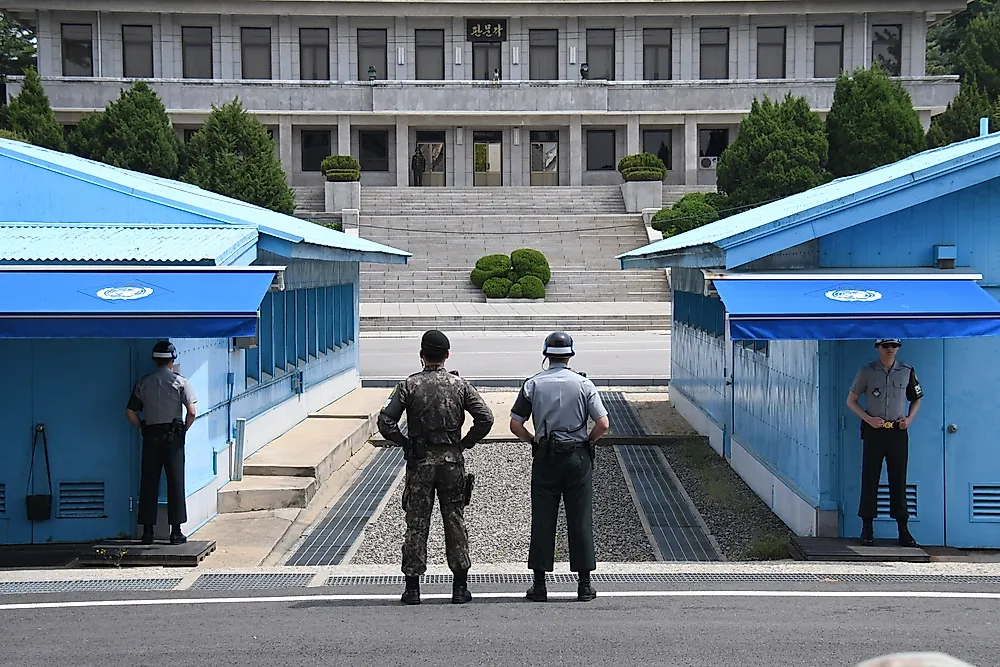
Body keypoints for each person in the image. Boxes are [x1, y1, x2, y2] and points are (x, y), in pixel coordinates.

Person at [378, 330, 494, 605]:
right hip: (452, 462)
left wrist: (406, 443)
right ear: (447, 355)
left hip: (419, 463)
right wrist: (464, 443)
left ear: (421, 355)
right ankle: (459, 587)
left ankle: (413, 588)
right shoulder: (460, 385)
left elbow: (385, 423)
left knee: (417, 523)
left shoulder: (408, 385)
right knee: (454, 520)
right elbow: (485, 418)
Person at [509, 331, 610, 602]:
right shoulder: (584, 385)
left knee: (543, 519)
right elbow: (603, 424)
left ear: (546, 355)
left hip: (545, 457)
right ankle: (584, 585)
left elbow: (515, 424)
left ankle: (539, 585)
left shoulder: (533, 384)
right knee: (580, 519)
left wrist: (533, 441)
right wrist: (587, 442)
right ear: (570, 355)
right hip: (577, 457)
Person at [846, 338, 923, 548]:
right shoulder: (867, 371)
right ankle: (867, 527)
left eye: (894, 346)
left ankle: (903, 528)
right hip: (875, 431)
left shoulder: (907, 371)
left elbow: (917, 398)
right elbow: (851, 400)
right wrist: (868, 419)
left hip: (897, 432)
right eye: (885, 346)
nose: (890, 350)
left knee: (898, 478)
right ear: (878, 347)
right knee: (870, 476)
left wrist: (909, 419)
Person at [125, 340, 197, 545]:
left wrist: (142, 427)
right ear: (173, 359)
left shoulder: (144, 382)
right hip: (173, 435)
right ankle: (176, 532)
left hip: (151, 434)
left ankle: (147, 531)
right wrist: (183, 429)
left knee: (149, 481)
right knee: (175, 481)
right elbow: (191, 412)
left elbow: (130, 412)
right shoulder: (180, 382)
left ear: (154, 360)